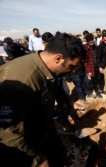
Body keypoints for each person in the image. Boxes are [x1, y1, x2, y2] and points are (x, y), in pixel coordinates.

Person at [0, 32, 85, 166]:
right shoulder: (23, 81)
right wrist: (38, 161)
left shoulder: (47, 68)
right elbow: (9, 135)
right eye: (72, 66)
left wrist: (68, 104)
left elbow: (54, 86)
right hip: (22, 150)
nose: (73, 71)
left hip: (42, 132)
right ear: (58, 58)